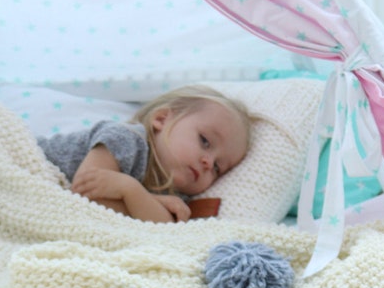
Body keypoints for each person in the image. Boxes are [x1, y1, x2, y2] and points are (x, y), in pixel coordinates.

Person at [37, 85, 251, 223]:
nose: (208, 162)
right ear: (162, 119)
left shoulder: (175, 195)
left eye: (217, 168)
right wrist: (132, 192)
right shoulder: (125, 139)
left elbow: (161, 229)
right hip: (34, 166)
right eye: (204, 141)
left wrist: (135, 194)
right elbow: (85, 195)